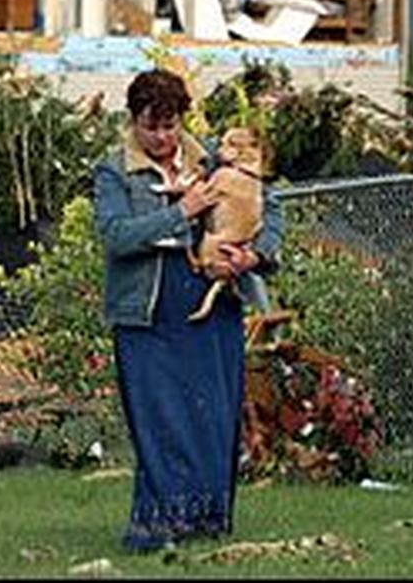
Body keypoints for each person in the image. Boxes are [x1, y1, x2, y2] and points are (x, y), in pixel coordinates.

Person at [93, 68, 283, 552]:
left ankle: (206, 521)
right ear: (133, 121)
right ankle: (159, 526)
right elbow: (116, 236)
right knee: (158, 417)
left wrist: (253, 256)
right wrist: (183, 210)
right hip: (148, 311)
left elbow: (271, 207)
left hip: (212, 307)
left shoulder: (215, 160)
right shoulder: (114, 170)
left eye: (170, 125)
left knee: (211, 412)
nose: (161, 137)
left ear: (182, 120)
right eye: (150, 126)